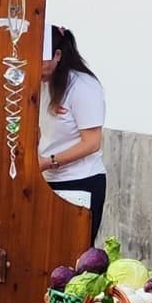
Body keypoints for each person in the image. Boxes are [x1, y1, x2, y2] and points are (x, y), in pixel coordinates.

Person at [38, 25, 108, 242]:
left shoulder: (83, 86)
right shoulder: (43, 84)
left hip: (81, 181)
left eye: (40, 61)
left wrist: (47, 161)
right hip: (48, 180)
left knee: (74, 254)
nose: (35, 68)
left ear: (57, 55)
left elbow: (92, 142)